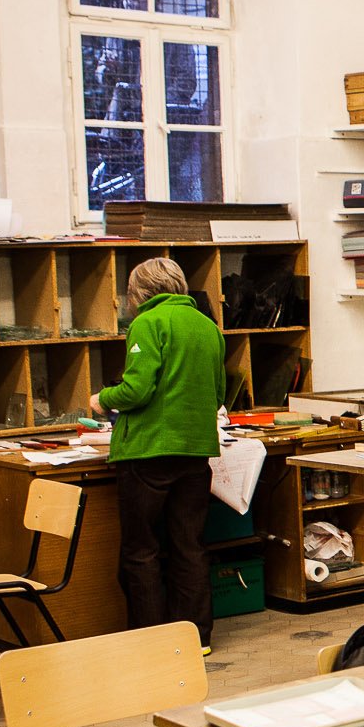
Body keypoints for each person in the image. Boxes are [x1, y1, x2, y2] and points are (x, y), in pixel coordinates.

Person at [89, 257, 226, 645]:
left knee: (141, 551)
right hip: (195, 452)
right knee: (189, 547)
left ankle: (152, 642)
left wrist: (102, 399)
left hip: (147, 452)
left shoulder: (147, 323)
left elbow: (136, 390)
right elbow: (217, 394)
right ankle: (196, 639)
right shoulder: (208, 326)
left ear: (138, 292)